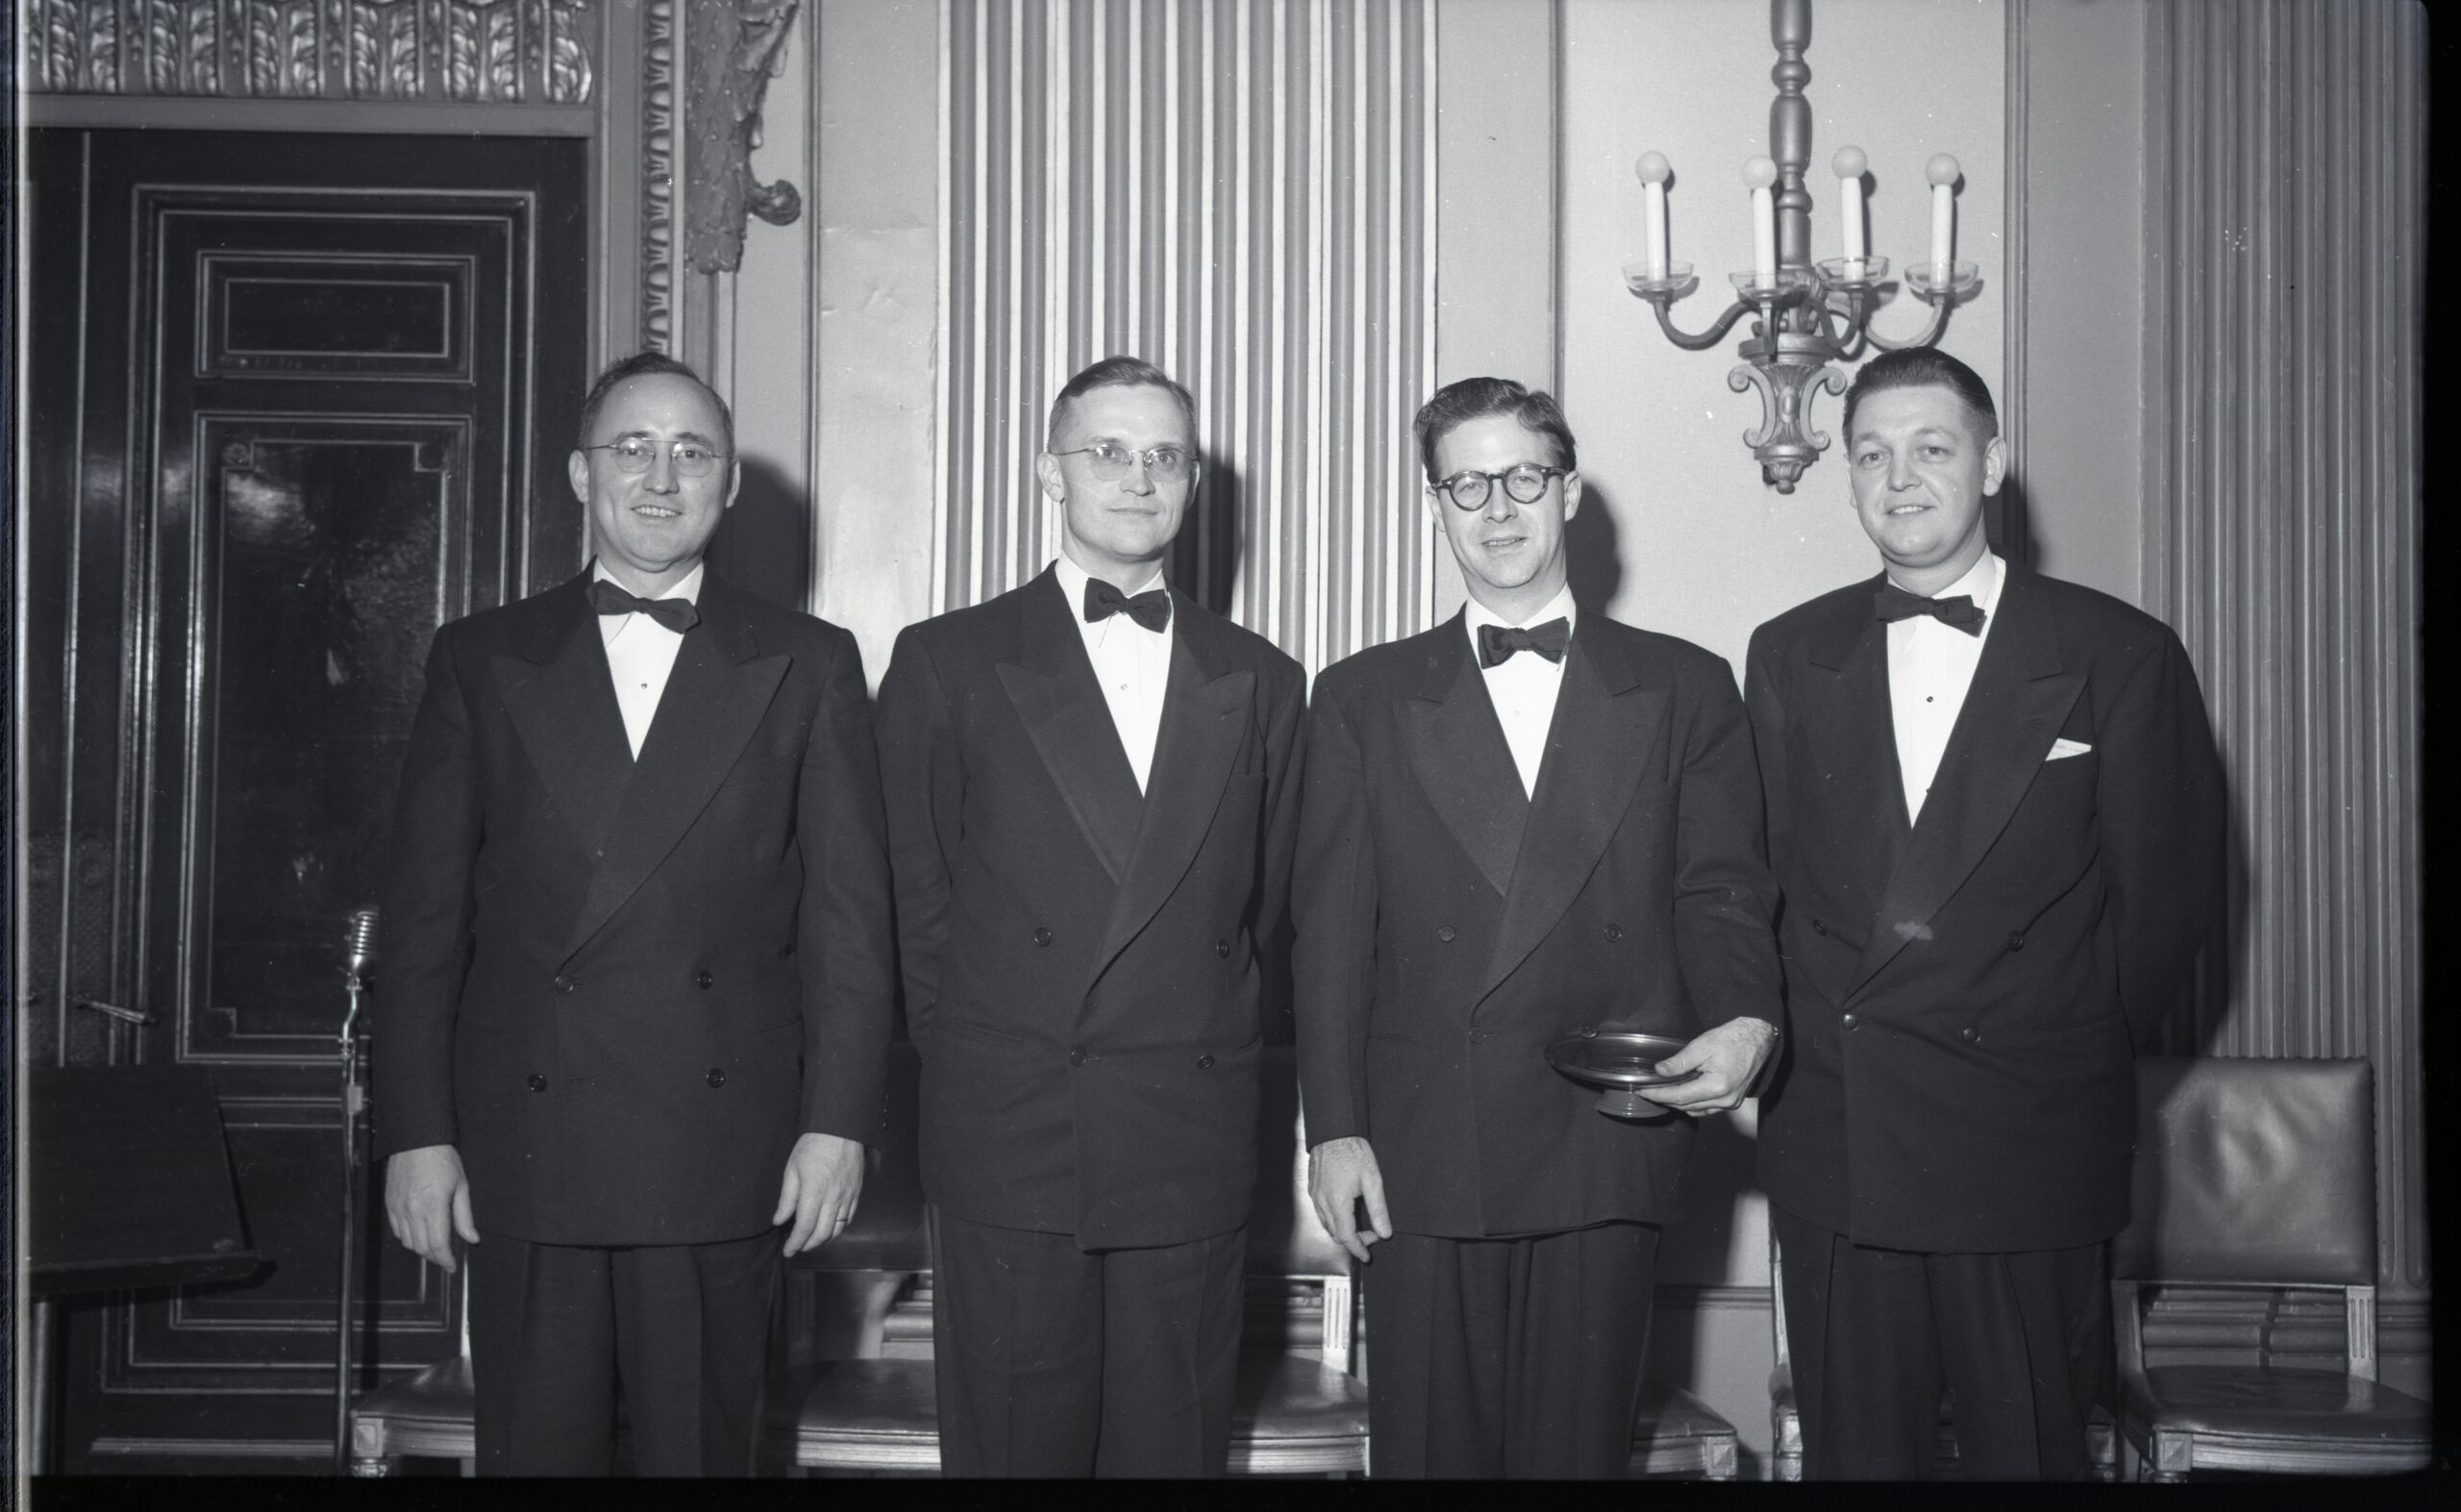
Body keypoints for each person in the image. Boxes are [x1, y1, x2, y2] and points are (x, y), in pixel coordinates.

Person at [375, 352, 895, 1475]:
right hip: (528, 1151)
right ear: (581, 473)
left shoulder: (808, 663)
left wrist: (837, 1123)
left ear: (729, 485)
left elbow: (850, 930)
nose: (661, 478)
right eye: (633, 448)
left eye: (692, 452)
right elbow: (421, 927)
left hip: (721, 1151)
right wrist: (417, 1132)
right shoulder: (481, 656)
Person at [1748, 347, 2225, 1480]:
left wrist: (2045, 1039)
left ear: (1993, 462)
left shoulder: (2119, 652)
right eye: (1871, 454)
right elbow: (1762, 886)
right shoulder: (1787, 651)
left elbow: (2166, 911)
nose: (1898, 478)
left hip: (2026, 1135)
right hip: (1841, 1137)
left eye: (1931, 448)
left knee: (2030, 1456)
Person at [1294, 376, 1785, 1477]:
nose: (1498, 508)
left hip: (1608, 1124)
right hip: (1422, 1142)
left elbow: (1721, 891)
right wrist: (1335, 1129)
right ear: (1434, 503)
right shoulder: (1360, 696)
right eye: (1466, 484)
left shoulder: (1684, 685)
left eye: (1523, 477)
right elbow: (1328, 936)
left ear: (1568, 492)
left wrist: (1748, 1020)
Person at [875, 356, 1306, 1476]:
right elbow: (914, 909)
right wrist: (992, 1066)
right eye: (1107, 451)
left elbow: (1266, 920)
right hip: (1013, 1131)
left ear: (1194, 482)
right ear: (1048, 472)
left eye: (1164, 455)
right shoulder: (946, 660)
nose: (1137, 477)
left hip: (1186, 1135)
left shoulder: (1263, 679)